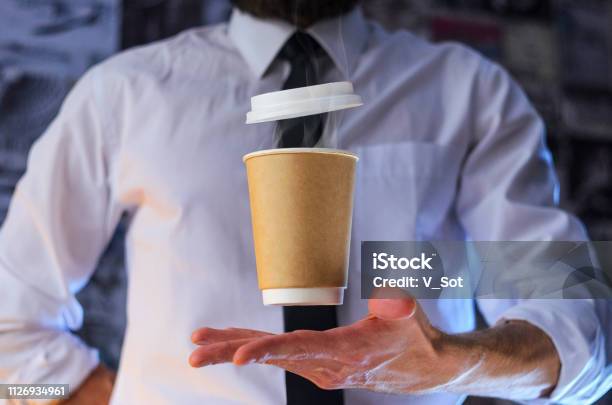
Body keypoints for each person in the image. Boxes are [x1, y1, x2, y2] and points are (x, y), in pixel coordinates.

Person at [0, 0, 609, 404]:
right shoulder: (123, 96)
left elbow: (581, 330)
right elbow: (9, 331)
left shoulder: (469, 93)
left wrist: (457, 359)